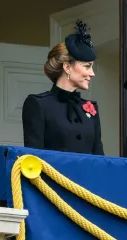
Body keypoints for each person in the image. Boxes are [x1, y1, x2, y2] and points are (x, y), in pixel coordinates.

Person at [22, 20, 104, 155]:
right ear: (67, 67)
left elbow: (99, 157)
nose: (92, 73)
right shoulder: (38, 104)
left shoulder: (91, 108)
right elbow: (34, 159)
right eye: (87, 66)